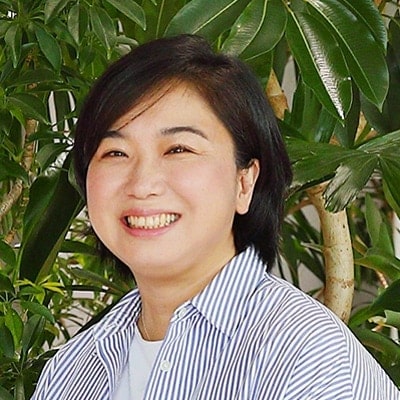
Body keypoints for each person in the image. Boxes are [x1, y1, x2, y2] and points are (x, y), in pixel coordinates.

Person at [32, 34, 399, 400]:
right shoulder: (72, 369)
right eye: (115, 153)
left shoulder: (307, 356)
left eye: (178, 149)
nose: (142, 184)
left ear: (245, 182)